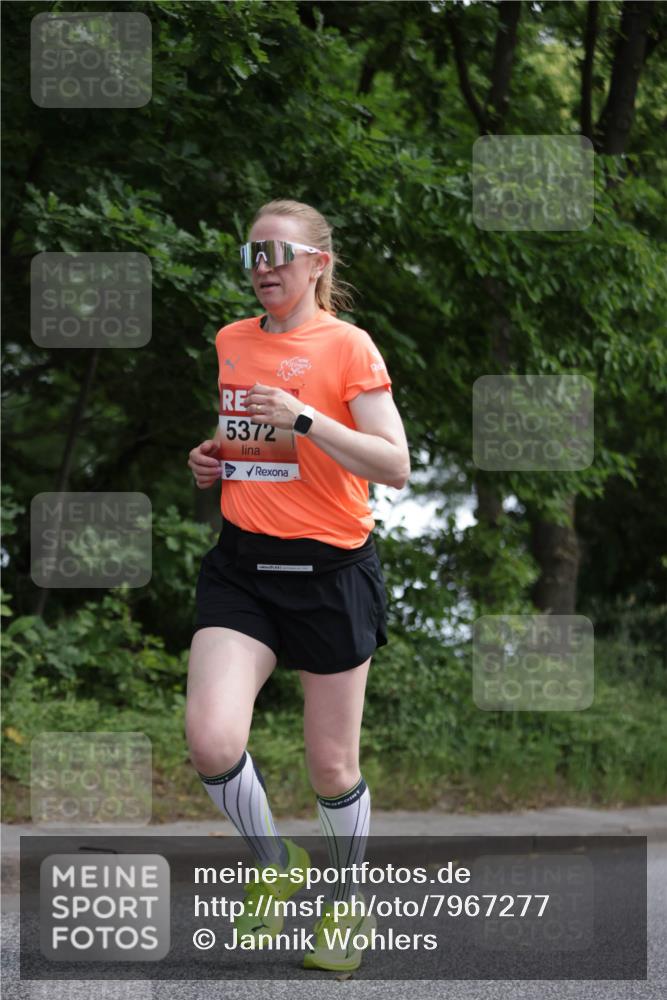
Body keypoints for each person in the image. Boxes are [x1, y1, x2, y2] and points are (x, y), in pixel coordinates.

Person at [186, 199, 410, 972]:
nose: (264, 269)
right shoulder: (231, 340)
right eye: (252, 254)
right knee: (212, 738)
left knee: (330, 766)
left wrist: (308, 418)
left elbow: (394, 465)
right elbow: (256, 446)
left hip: (330, 573)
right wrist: (213, 456)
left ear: (318, 263)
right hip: (243, 567)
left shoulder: (348, 347)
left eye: (279, 254)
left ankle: (348, 907)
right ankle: (272, 861)